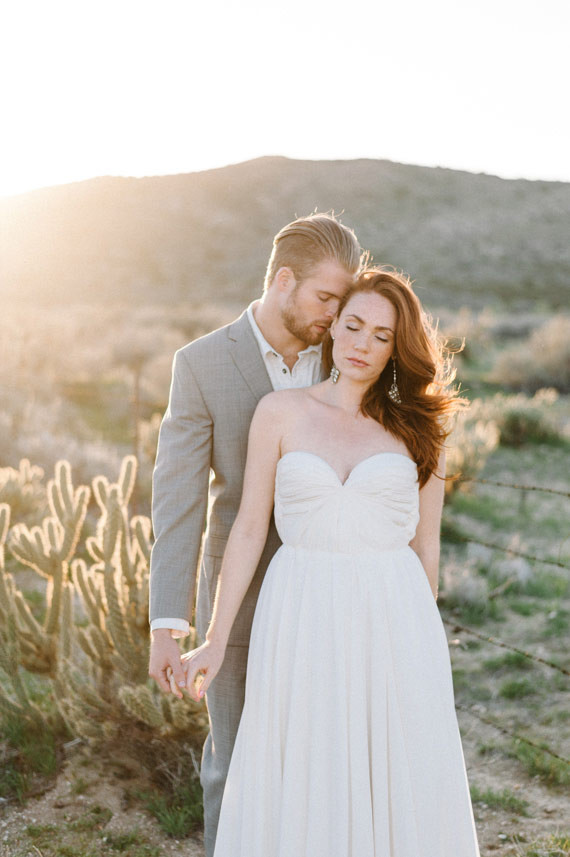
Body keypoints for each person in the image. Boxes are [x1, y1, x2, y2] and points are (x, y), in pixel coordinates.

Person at [182, 266, 481, 856]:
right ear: (334, 327)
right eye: (354, 326)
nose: (363, 345)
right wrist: (214, 640)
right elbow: (247, 530)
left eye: (382, 336)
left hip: (393, 616)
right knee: (307, 761)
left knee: (389, 770)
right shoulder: (279, 412)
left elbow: (427, 546)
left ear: (399, 348)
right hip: (299, 613)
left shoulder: (420, 429)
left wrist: (422, 645)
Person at [148, 212, 364, 857]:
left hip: (335, 586)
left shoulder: (347, 355)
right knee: (235, 757)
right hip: (235, 596)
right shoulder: (203, 364)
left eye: (343, 301)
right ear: (283, 281)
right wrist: (168, 622)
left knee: (329, 750)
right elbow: (178, 500)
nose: (335, 313)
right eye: (326, 297)